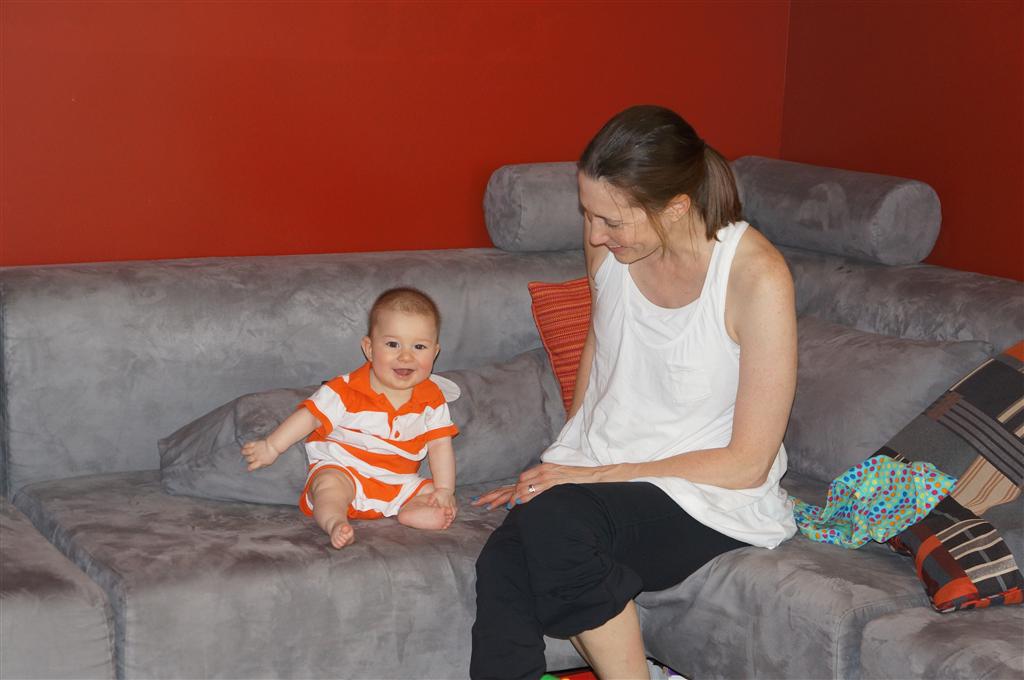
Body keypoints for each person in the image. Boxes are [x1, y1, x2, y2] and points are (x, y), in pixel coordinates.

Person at [470, 105, 799, 679]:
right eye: (588, 214)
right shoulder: (610, 242)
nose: (595, 235)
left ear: (676, 207)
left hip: (708, 494)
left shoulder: (755, 276)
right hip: (609, 476)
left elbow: (747, 464)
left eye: (612, 222)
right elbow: (603, 341)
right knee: (504, 560)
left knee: (555, 524)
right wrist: (565, 459)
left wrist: (587, 479)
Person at [242, 287, 460, 549]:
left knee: (431, 493)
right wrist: (272, 446)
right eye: (393, 344)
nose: (406, 356)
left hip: (398, 481)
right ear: (369, 348)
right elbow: (309, 418)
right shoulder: (345, 391)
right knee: (328, 487)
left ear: (434, 352)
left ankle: (411, 511)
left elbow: (440, 445)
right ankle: (335, 521)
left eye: (419, 347)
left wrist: (444, 490)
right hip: (345, 469)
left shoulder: (432, 398)